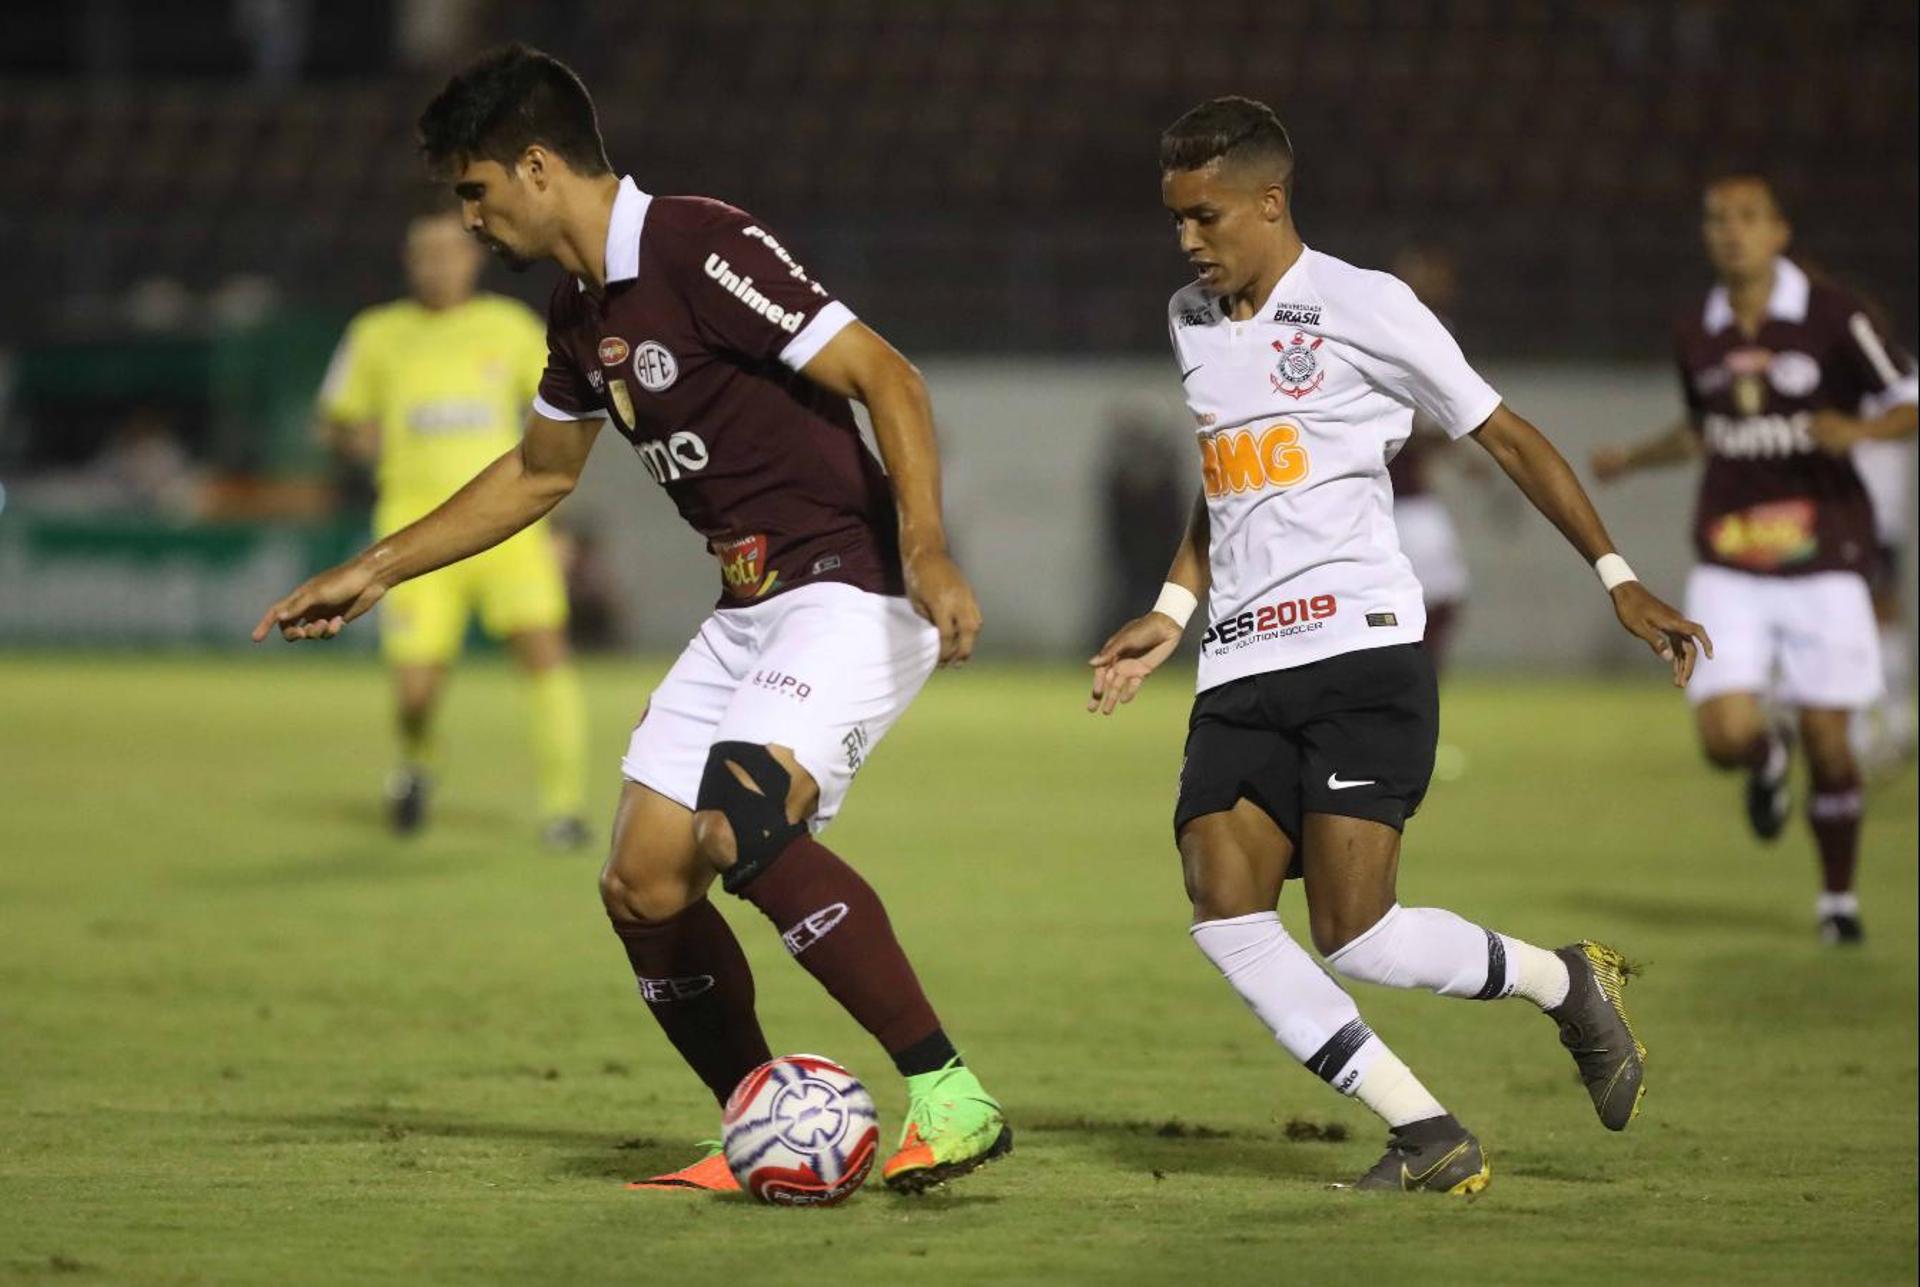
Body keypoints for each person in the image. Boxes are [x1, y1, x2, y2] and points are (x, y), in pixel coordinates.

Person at [256, 45, 1007, 1195]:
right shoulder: (577, 307)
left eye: (474, 190)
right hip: (752, 604)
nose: (471, 218)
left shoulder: (697, 244)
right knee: (644, 883)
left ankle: (951, 1095)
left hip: (850, 581)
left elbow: (888, 376)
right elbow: (540, 473)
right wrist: (380, 566)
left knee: (739, 822)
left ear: (538, 167)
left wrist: (929, 548)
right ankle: (761, 1120)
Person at [1089, 97, 1710, 1194]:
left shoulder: (1368, 306)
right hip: (1238, 658)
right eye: (1176, 217)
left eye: (1205, 214)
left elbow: (1507, 436)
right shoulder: (1189, 317)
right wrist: (1173, 612)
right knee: (1222, 905)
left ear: (1270, 200)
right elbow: (1225, 481)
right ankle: (1427, 1133)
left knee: (1355, 934)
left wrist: (1618, 578)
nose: (1187, 237)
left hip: (1357, 649)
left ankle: (1565, 984)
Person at [1592, 176, 1917, 945]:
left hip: (1827, 559)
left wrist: (1861, 433)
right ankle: (1768, 754)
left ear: (1779, 231)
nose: (1731, 232)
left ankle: (1837, 900)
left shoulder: (1836, 318)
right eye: (1717, 220)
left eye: (1747, 218)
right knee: (1722, 737)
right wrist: (1632, 458)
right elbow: (1702, 430)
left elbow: (1909, 397)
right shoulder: (1696, 328)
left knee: (1835, 746)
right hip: (1730, 561)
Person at [317, 207, 589, 846]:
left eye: (449, 251)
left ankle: (564, 808)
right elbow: (335, 418)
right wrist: (364, 441)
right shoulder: (376, 333)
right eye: (425, 254)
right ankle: (417, 768)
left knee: (545, 653)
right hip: (413, 535)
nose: (437, 264)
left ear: (474, 258)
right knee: (416, 689)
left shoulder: (511, 328)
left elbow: (560, 421)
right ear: (409, 264)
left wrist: (562, 525)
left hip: (509, 531)